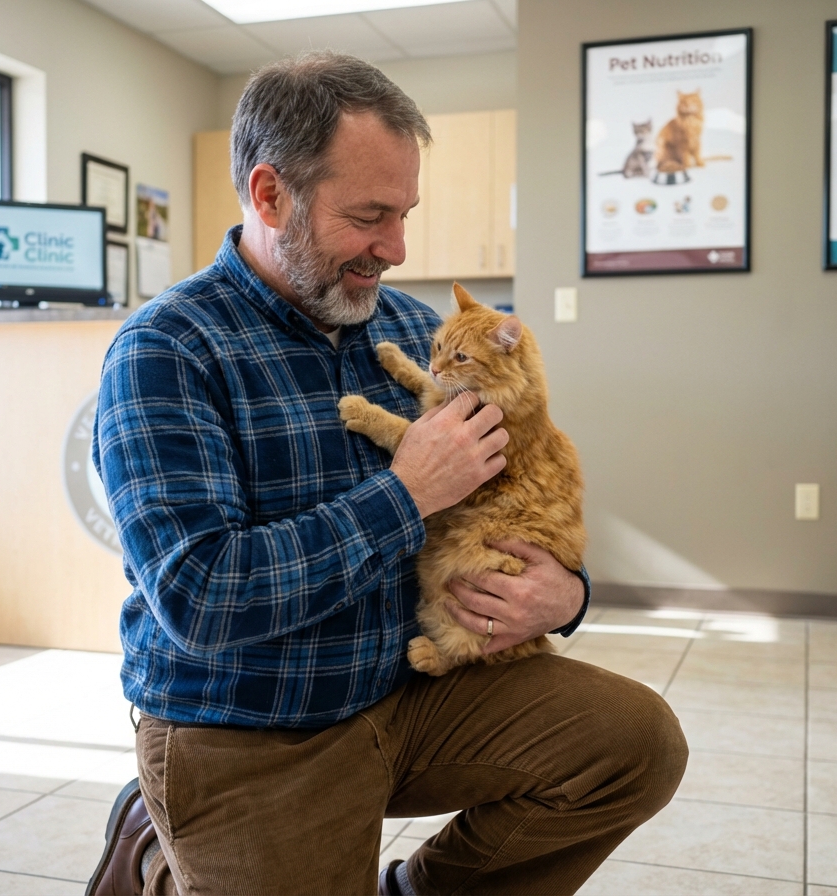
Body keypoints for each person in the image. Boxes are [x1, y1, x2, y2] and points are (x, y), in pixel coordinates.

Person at [86, 53, 687, 896]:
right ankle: (159, 849)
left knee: (637, 744)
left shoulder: (413, 328)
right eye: (370, 216)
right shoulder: (165, 353)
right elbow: (200, 599)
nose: (397, 250)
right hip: (251, 722)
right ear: (269, 196)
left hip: (408, 688)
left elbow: (523, 493)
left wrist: (568, 594)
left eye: (404, 215)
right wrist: (405, 495)